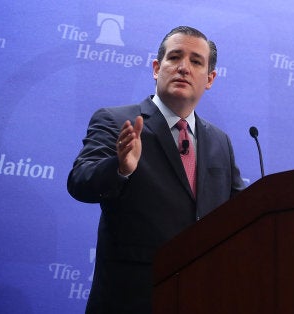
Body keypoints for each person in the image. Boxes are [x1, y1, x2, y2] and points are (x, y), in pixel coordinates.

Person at [67, 26, 246, 313]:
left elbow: (241, 211)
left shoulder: (219, 141)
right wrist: (121, 167)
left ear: (210, 79)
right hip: (131, 299)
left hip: (200, 296)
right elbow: (80, 181)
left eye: (196, 61)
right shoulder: (117, 121)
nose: (184, 68)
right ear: (156, 68)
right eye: (175, 57)